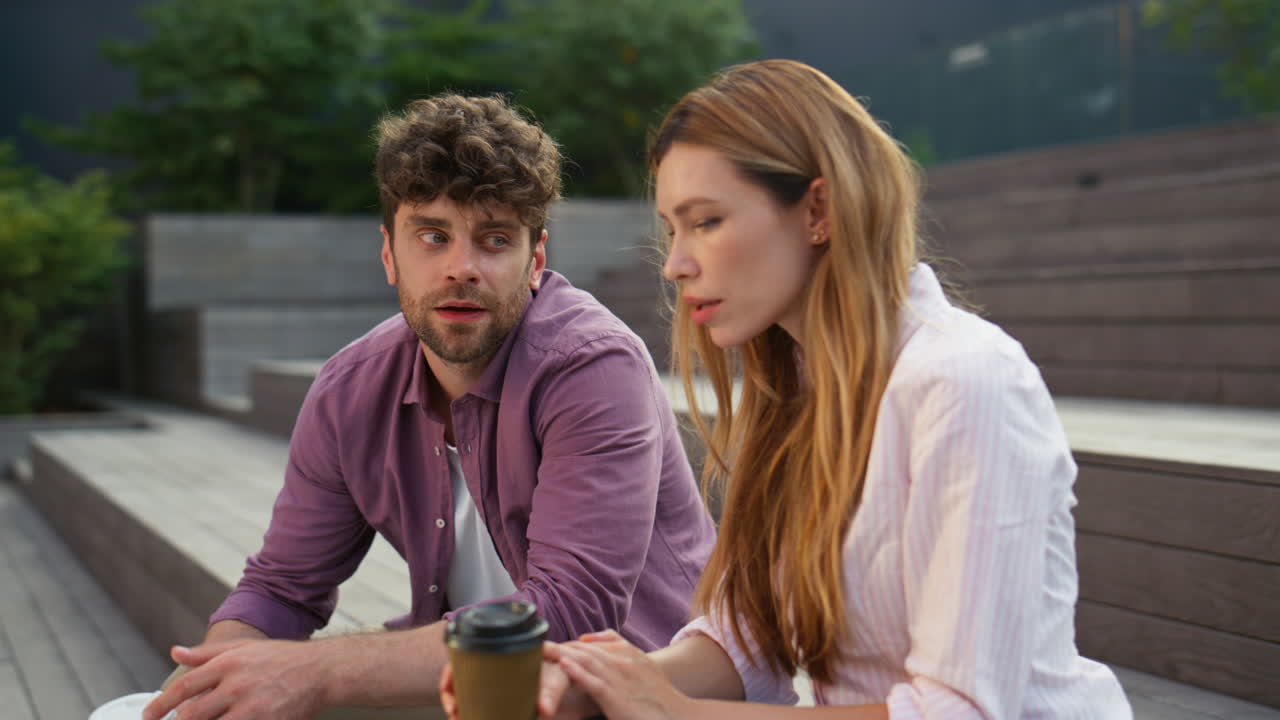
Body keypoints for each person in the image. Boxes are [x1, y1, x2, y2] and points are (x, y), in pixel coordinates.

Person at [446, 59, 1133, 719]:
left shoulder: (963, 382)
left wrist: (675, 713)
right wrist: (593, 682)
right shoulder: (794, 393)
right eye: (672, 230)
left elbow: (958, 713)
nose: (677, 265)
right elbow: (752, 637)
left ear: (818, 211)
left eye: (706, 221)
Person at [144, 93, 716, 720]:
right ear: (390, 254)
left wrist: (313, 671)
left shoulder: (592, 366)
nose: (461, 269)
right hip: (473, 689)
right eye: (433, 237)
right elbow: (281, 588)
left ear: (537, 261)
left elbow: (568, 614)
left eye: (494, 239)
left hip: (634, 690)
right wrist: (220, 677)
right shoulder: (349, 391)